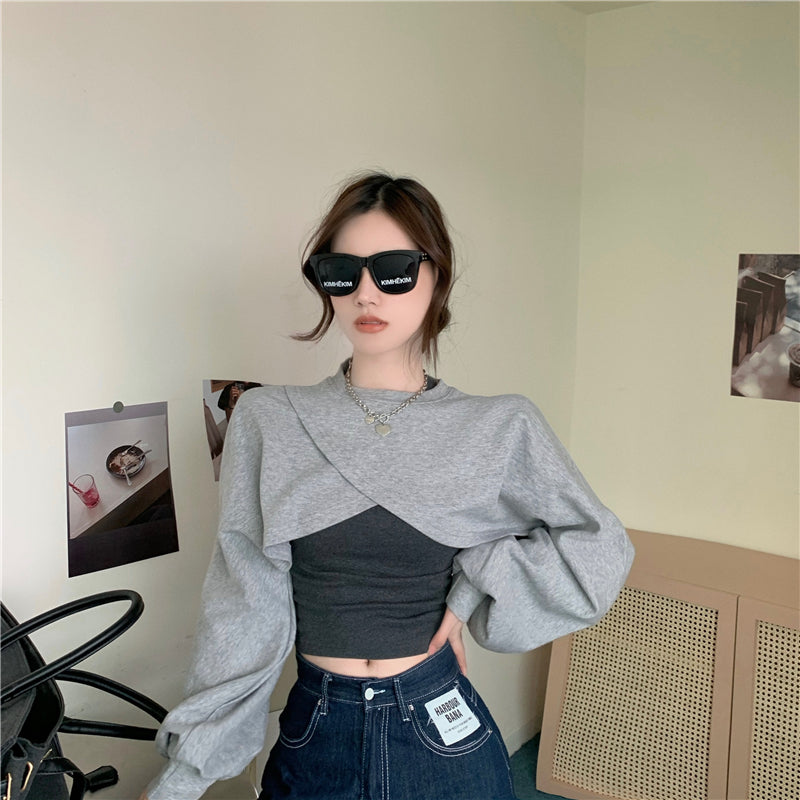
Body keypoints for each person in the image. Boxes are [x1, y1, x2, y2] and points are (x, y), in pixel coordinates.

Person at [142, 172, 634, 800]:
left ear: (436, 275)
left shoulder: (499, 425)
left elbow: (600, 548)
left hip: (439, 727)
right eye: (341, 272)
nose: (366, 292)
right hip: (316, 731)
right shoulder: (269, 420)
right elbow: (242, 606)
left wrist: (476, 581)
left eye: (394, 269)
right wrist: (185, 776)